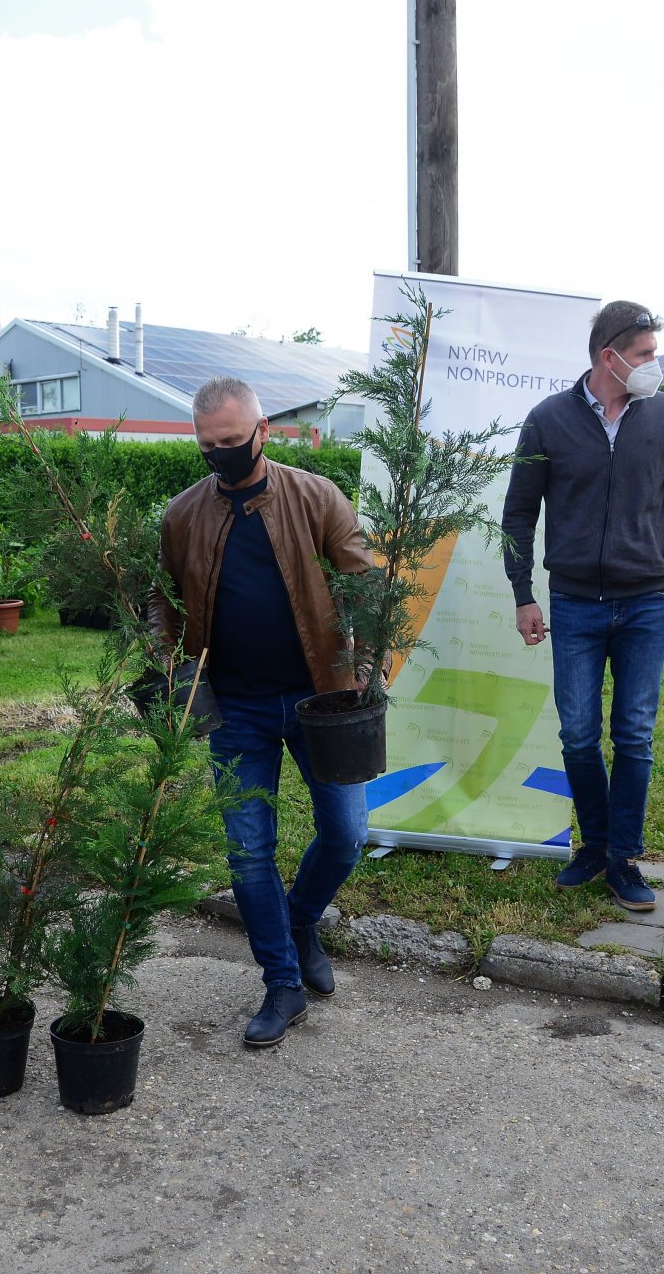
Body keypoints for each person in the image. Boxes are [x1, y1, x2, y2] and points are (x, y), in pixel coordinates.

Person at [150, 376, 374, 1048]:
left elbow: (365, 582)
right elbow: (161, 597)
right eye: (208, 445)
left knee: (346, 834)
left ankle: (300, 921)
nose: (220, 454)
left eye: (232, 441)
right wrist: (165, 660)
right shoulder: (183, 514)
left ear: (263, 431)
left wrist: (368, 668)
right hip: (236, 709)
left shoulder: (316, 497)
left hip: (324, 700)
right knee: (249, 856)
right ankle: (281, 982)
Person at [501, 301, 664, 912]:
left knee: (635, 734)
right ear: (608, 357)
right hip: (574, 603)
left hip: (647, 601)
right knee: (577, 733)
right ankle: (593, 845)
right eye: (645, 354)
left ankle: (623, 859)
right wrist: (522, 595)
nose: (655, 365)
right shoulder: (547, 420)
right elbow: (519, 514)